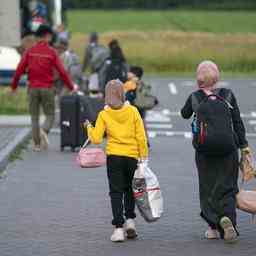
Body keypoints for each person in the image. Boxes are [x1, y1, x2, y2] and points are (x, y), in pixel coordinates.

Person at [181, 60, 252, 243]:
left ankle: (213, 226)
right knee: (228, 186)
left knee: (208, 187)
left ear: (199, 80)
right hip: (228, 149)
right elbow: (237, 122)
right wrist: (244, 146)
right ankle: (229, 222)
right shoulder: (227, 95)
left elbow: (184, 114)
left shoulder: (195, 97)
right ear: (217, 78)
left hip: (204, 150)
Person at [84, 80, 148, 242]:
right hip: (132, 157)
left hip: (114, 157)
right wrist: (143, 158)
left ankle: (118, 229)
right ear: (122, 94)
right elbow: (141, 136)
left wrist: (89, 128)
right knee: (130, 189)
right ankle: (131, 221)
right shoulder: (133, 111)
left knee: (116, 192)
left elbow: (97, 139)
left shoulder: (104, 114)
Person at [11, 24, 76, 152]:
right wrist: (71, 86)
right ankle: (44, 130)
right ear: (47, 36)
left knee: (34, 117)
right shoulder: (51, 52)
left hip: (32, 88)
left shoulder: (29, 51)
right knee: (50, 115)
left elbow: (19, 70)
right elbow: (62, 72)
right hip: (47, 88)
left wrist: (14, 86)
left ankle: (36, 145)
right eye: (50, 36)